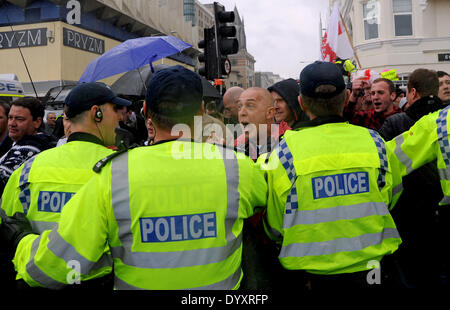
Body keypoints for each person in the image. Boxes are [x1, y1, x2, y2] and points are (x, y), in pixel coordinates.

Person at [0, 65, 267, 290]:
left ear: (147, 110)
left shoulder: (113, 174)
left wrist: (21, 241)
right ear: (200, 110)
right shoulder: (236, 167)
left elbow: (53, 266)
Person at [263, 61, 402, 289]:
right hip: (371, 270)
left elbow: (276, 226)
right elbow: (391, 195)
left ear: (300, 102)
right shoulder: (376, 142)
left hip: (311, 275)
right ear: (347, 97)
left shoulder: (283, 153)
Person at [0, 82, 130, 290]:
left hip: (33, 281)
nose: (119, 118)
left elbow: (6, 226)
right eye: (115, 110)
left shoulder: (28, 169)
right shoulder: (122, 169)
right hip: (98, 283)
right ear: (97, 114)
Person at [0, 97, 53, 195]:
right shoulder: (19, 142)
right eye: (10, 117)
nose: (12, 123)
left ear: (37, 122)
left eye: (19, 119)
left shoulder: (32, 147)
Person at [379, 68, 443, 141]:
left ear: (413, 92)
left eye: (407, 92)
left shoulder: (395, 123)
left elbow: (381, 149)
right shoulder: (445, 116)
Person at [235, 87, 288, 161]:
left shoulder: (290, 144)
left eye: (250, 105)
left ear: (270, 113)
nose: (242, 113)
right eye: (239, 107)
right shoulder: (236, 146)